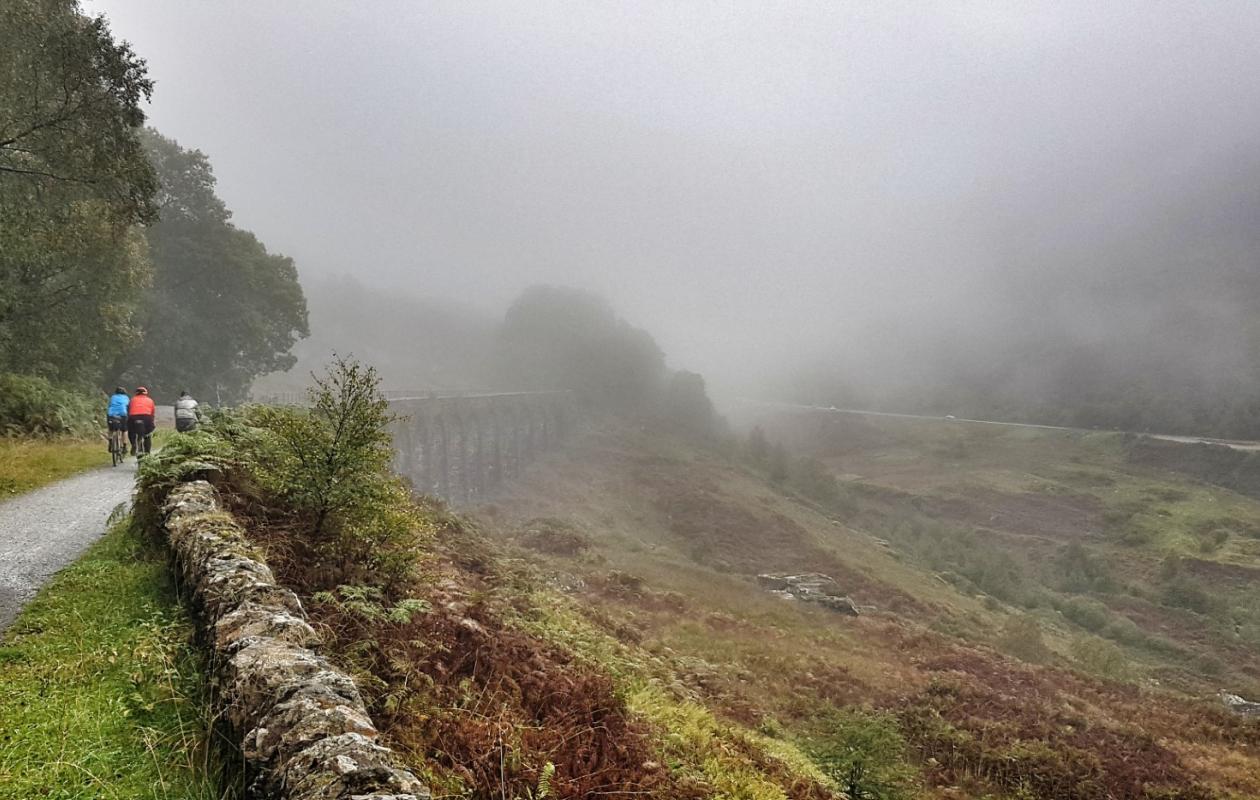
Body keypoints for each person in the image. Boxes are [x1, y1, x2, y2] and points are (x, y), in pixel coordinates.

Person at [127, 386, 156, 457]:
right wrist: (152, 423)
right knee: (147, 434)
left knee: (131, 431)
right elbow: (152, 413)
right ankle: (147, 452)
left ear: (136, 393)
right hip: (147, 417)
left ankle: (133, 444)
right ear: (146, 393)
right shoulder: (150, 400)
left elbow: (128, 411)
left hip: (134, 417)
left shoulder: (132, 400)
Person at [106, 386, 129, 450]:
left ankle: (110, 442)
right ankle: (124, 446)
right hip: (122, 415)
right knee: (124, 430)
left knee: (110, 429)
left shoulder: (113, 397)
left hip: (111, 415)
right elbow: (128, 406)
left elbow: (109, 405)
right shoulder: (126, 398)